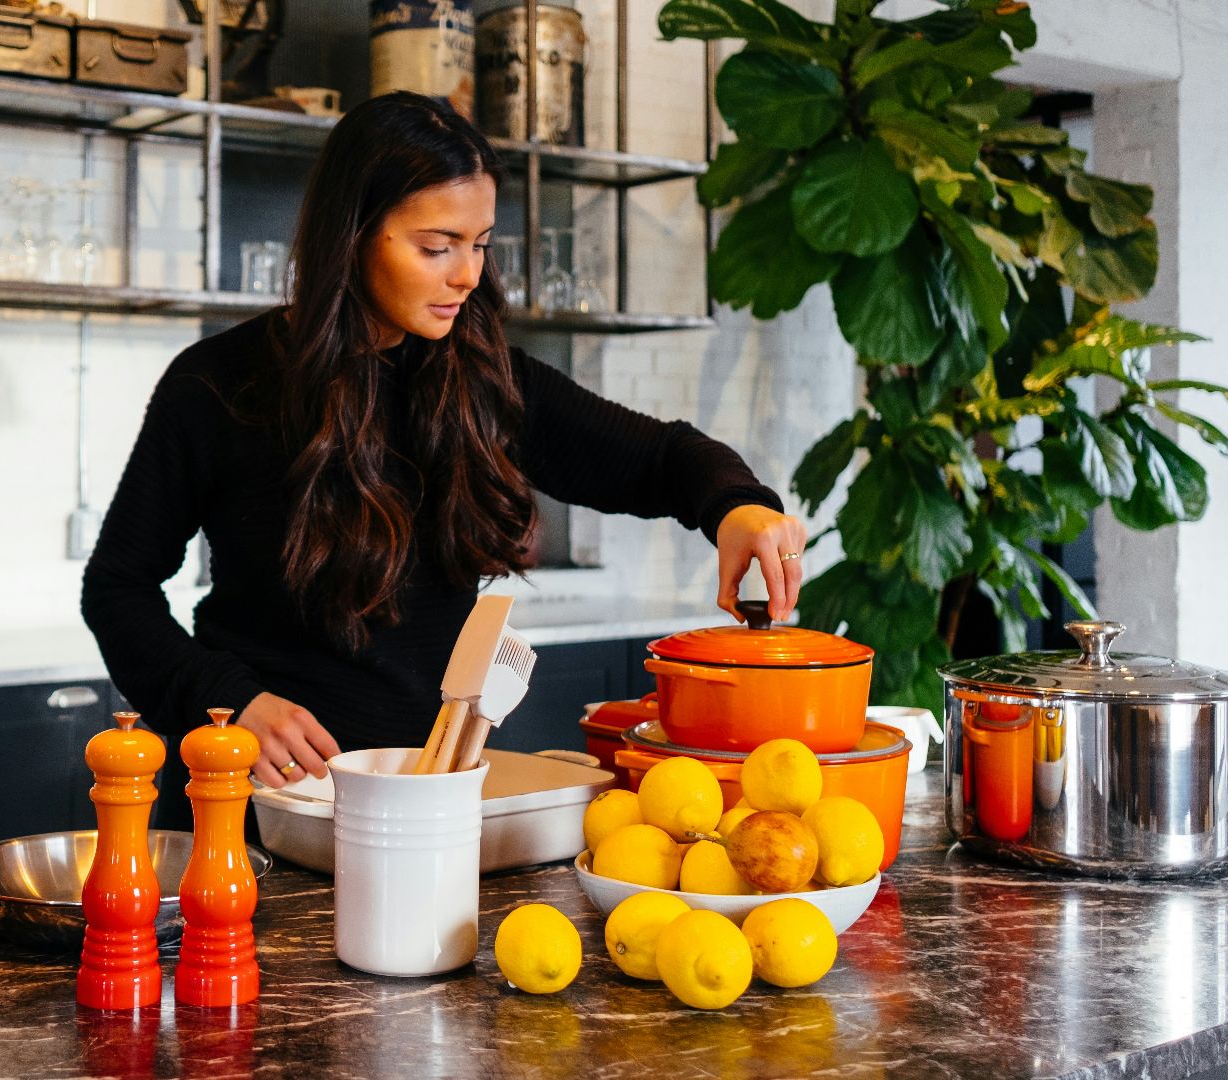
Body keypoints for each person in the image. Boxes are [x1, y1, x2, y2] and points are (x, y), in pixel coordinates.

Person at [82, 92, 807, 813]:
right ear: (354, 235)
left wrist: (737, 507)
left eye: (480, 243)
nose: (467, 274)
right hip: (253, 809)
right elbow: (117, 589)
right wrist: (229, 702)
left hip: (424, 807)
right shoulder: (218, 386)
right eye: (437, 247)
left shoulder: (486, 378)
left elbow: (662, 459)